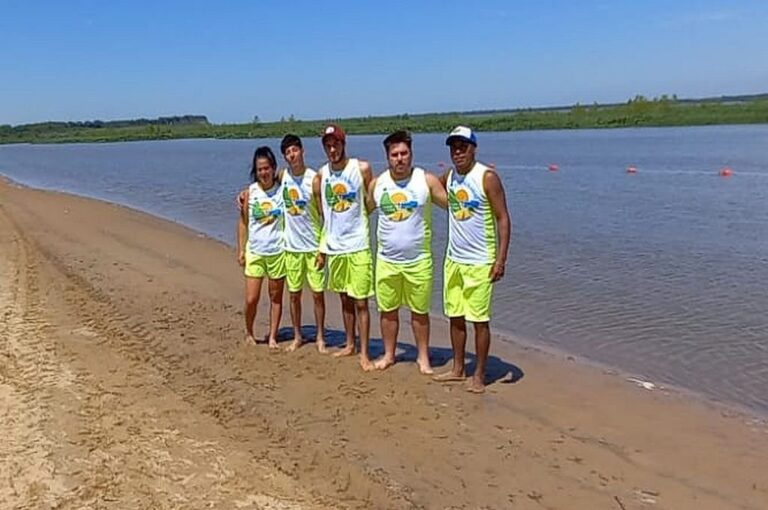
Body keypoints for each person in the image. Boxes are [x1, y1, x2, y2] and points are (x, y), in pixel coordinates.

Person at [433, 126, 511, 393]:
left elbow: (503, 218)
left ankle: (479, 374)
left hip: (481, 261)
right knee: (455, 315)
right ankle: (457, 368)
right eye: (453, 147)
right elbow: (432, 188)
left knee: (479, 319)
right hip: (454, 259)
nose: (458, 151)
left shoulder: (487, 177)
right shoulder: (451, 177)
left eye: (463, 146)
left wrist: (500, 260)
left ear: (473, 148)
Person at [368, 130, 447, 373]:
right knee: (387, 311)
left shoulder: (426, 181)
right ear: (387, 157)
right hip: (386, 260)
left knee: (420, 312)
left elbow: (454, 207)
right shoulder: (378, 184)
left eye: (404, 153)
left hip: (418, 260)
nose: (399, 158)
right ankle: (390, 354)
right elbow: (359, 211)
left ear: (411, 154)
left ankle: (423, 357)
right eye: (394, 154)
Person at [313, 124, 376, 371]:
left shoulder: (361, 168)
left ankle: (365, 352)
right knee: (345, 300)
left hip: (358, 245)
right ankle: (350, 343)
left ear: (343, 144)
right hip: (335, 247)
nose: (332, 149)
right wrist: (323, 249)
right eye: (328, 145)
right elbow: (322, 215)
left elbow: (371, 201)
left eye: (336, 144)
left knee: (361, 301)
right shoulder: (321, 176)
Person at [278, 134, 328, 353]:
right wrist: (244, 194)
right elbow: (263, 184)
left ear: (302, 151)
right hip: (292, 247)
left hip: (312, 246)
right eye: (288, 152)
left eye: (295, 150)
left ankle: (319, 336)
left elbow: (324, 214)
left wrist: (323, 248)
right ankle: (298, 335)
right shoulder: (283, 176)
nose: (292, 155)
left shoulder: (314, 178)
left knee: (317, 294)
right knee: (294, 294)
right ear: (285, 157)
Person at [237, 146, 286, 349]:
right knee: (251, 298)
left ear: (273, 168)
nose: (263, 173)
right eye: (259, 169)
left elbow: (293, 174)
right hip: (255, 252)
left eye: (267, 168)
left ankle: (273, 336)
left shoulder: (282, 188)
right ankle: (249, 332)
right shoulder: (250, 193)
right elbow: (242, 223)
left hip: (277, 251)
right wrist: (241, 249)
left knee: (275, 297)